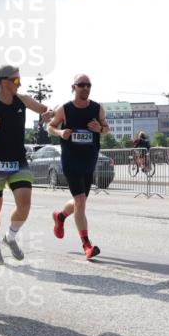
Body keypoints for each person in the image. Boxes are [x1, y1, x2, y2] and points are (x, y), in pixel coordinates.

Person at [0, 65, 52, 264]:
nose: (20, 84)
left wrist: (48, 114)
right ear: (4, 82)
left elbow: (47, 110)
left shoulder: (23, 100)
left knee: (25, 204)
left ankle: (9, 238)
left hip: (18, 160)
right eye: (16, 80)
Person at [46, 74, 109, 259]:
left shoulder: (97, 108)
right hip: (71, 161)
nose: (86, 88)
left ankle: (60, 216)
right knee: (80, 202)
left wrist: (100, 129)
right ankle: (86, 245)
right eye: (82, 85)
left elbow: (106, 128)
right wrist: (60, 132)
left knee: (79, 202)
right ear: (73, 87)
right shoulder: (65, 109)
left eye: (88, 85)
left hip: (89, 162)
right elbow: (50, 126)